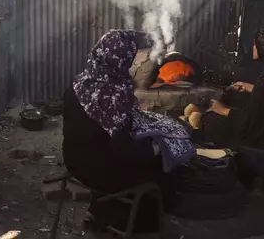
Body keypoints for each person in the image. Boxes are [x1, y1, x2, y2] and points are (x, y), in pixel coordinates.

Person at [63, 30, 194, 233]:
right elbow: (124, 151)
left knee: (109, 153)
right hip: (99, 171)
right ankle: (136, 224)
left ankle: (100, 211)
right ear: (121, 60)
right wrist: (155, 149)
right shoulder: (115, 96)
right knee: (163, 167)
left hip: (73, 161)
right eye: (130, 58)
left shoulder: (78, 84)